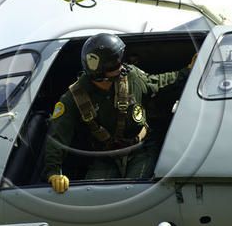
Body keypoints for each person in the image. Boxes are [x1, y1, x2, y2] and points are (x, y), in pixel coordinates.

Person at [44, 33, 190, 193]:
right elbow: (57, 136)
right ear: (100, 70)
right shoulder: (73, 98)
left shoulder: (132, 76)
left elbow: (158, 82)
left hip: (141, 148)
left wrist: (188, 71)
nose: (120, 66)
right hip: (105, 157)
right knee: (94, 197)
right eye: (114, 64)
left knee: (137, 193)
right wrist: (53, 172)